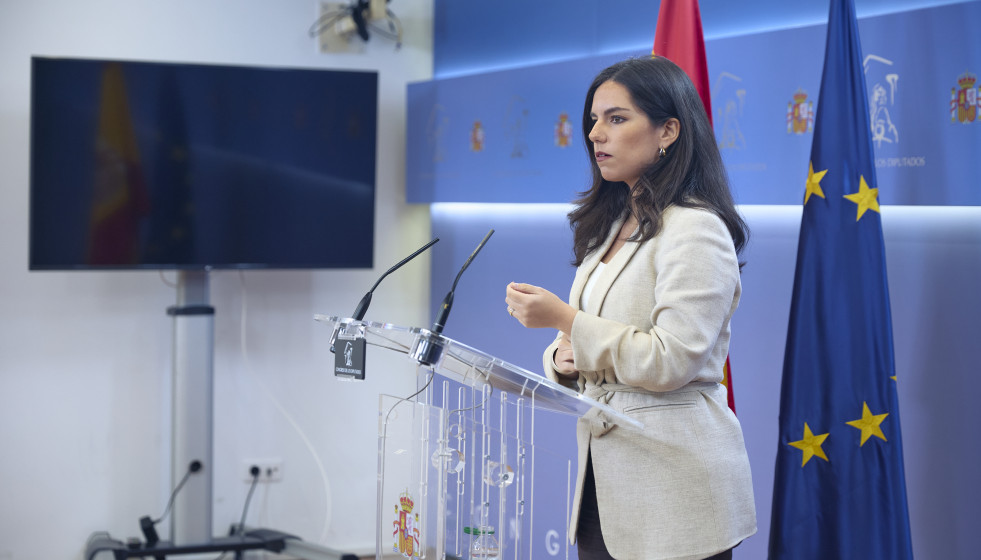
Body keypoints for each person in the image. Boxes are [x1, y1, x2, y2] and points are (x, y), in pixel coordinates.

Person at [504, 56, 757, 560]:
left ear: (668, 130)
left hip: (674, 485)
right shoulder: (613, 224)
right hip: (604, 484)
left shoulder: (697, 228)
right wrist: (561, 359)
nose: (597, 133)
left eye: (617, 119)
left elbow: (671, 359)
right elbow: (582, 342)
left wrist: (565, 320)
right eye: (594, 120)